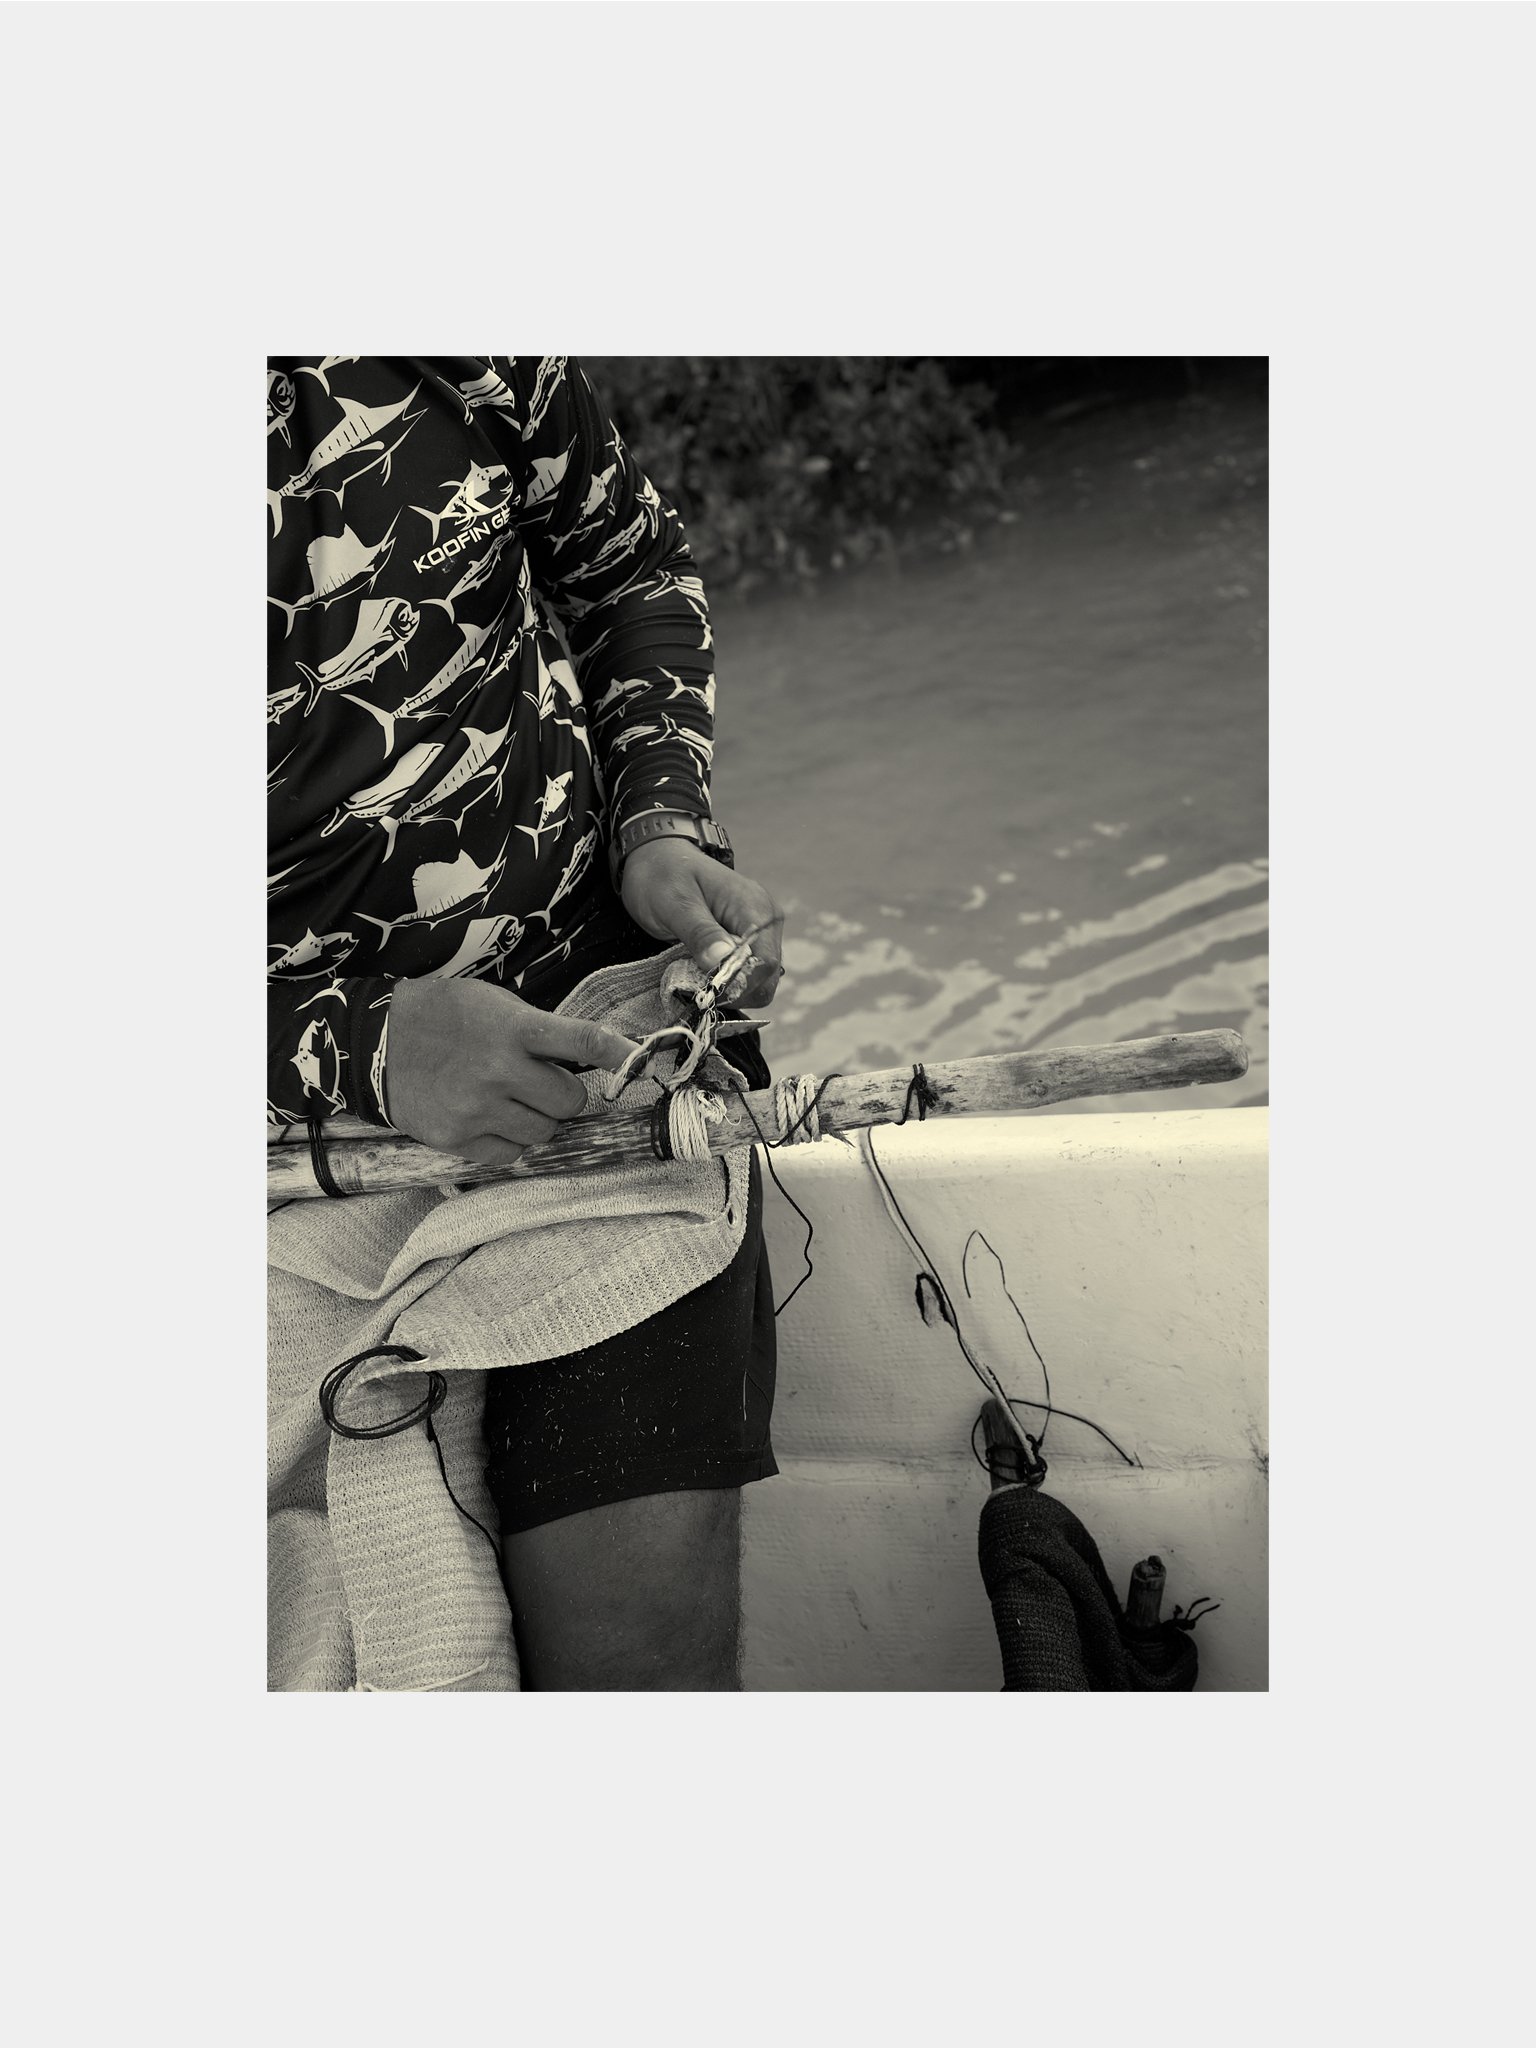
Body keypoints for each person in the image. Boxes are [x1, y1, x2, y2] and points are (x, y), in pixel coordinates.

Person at [268, 355, 785, 1689]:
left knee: (636, 1656)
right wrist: (363, 1046)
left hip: (605, 1066)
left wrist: (659, 824)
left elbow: (631, 568)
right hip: (277, 1159)